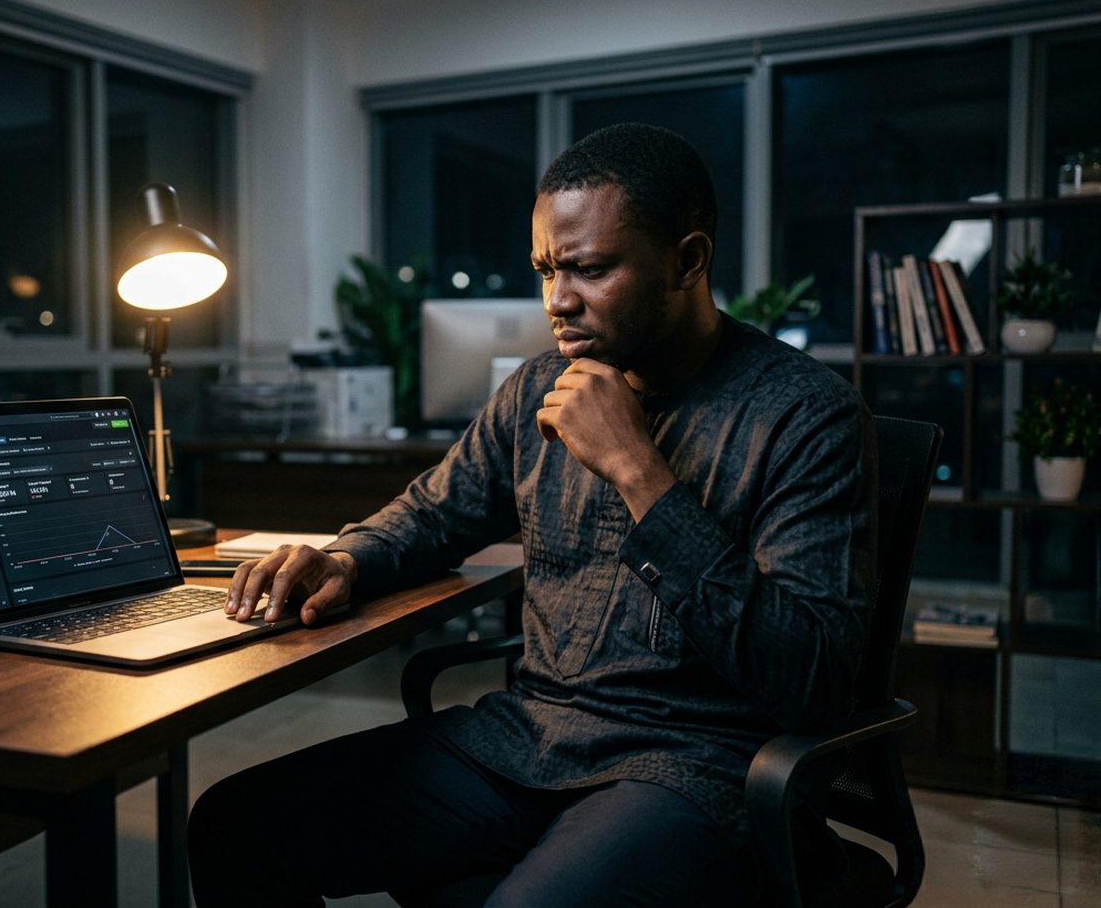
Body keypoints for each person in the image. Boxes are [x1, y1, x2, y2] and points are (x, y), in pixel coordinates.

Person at [187, 122, 877, 907]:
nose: (556, 300)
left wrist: (639, 471)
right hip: (528, 737)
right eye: (547, 269)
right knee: (233, 824)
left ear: (688, 260)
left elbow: (811, 677)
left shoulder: (806, 416)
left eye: (589, 269)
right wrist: (348, 559)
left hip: (693, 765)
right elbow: (434, 514)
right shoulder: (537, 386)